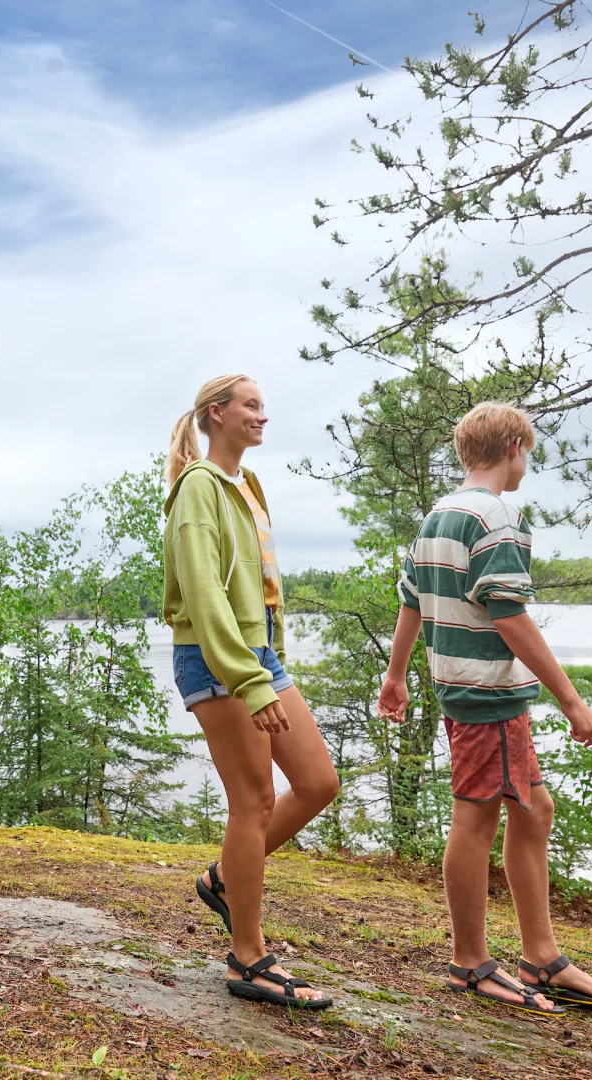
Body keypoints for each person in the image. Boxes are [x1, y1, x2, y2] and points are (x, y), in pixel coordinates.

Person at [377, 403, 592, 1015]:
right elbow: (508, 612)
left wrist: (396, 676)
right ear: (516, 446)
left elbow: (411, 599)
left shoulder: (439, 515)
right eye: (531, 449)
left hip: (466, 689)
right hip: (488, 694)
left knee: (533, 807)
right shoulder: (499, 517)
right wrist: (572, 700)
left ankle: (541, 956)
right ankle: (470, 963)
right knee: (476, 820)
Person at [164, 374, 340, 1011]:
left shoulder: (247, 485)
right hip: (219, 659)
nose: (262, 415)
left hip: (257, 657)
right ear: (217, 414)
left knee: (319, 781)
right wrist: (247, 678)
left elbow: (260, 590)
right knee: (255, 800)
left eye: (264, 405)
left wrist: (270, 667)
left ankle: (223, 880)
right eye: (251, 406)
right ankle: (248, 958)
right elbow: (206, 592)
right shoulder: (198, 487)